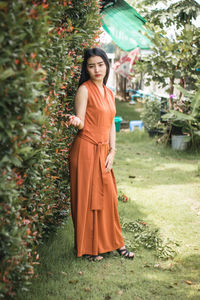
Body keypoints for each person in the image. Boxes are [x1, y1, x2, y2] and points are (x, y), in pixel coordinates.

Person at [68, 48, 134, 261]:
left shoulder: (109, 93)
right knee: (86, 200)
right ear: (86, 69)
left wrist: (112, 151)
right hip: (86, 150)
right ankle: (88, 248)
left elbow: (110, 126)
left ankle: (116, 243)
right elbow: (81, 121)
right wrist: (76, 122)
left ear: (106, 65)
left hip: (103, 151)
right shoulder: (84, 90)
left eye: (100, 64)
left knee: (108, 199)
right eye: (91, 65)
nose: (96, 69)